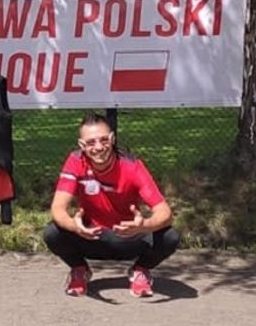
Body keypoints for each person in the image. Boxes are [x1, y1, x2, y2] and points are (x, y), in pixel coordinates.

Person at [42, 111, 179, 298]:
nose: (98, 147)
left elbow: (165, 213)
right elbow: (57, 209)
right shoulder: (75, 161)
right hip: (92, 236)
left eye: (104, 140)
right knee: (52, 232)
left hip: (128, 237)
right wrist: (76, 226)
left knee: (170, 236)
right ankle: (79, 270)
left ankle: (140, 270)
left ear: (113, 139)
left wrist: (143, 225)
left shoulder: (132, 166)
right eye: (90, 143)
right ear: (81, 145)